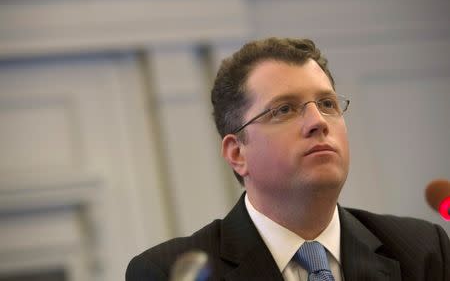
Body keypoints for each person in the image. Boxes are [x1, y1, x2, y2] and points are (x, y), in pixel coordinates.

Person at [126, 37, 449, 281]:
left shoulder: (421, 250)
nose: (318, 121)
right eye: (284, 109)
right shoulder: (171, 271)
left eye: (327, 103)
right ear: (238, 153)